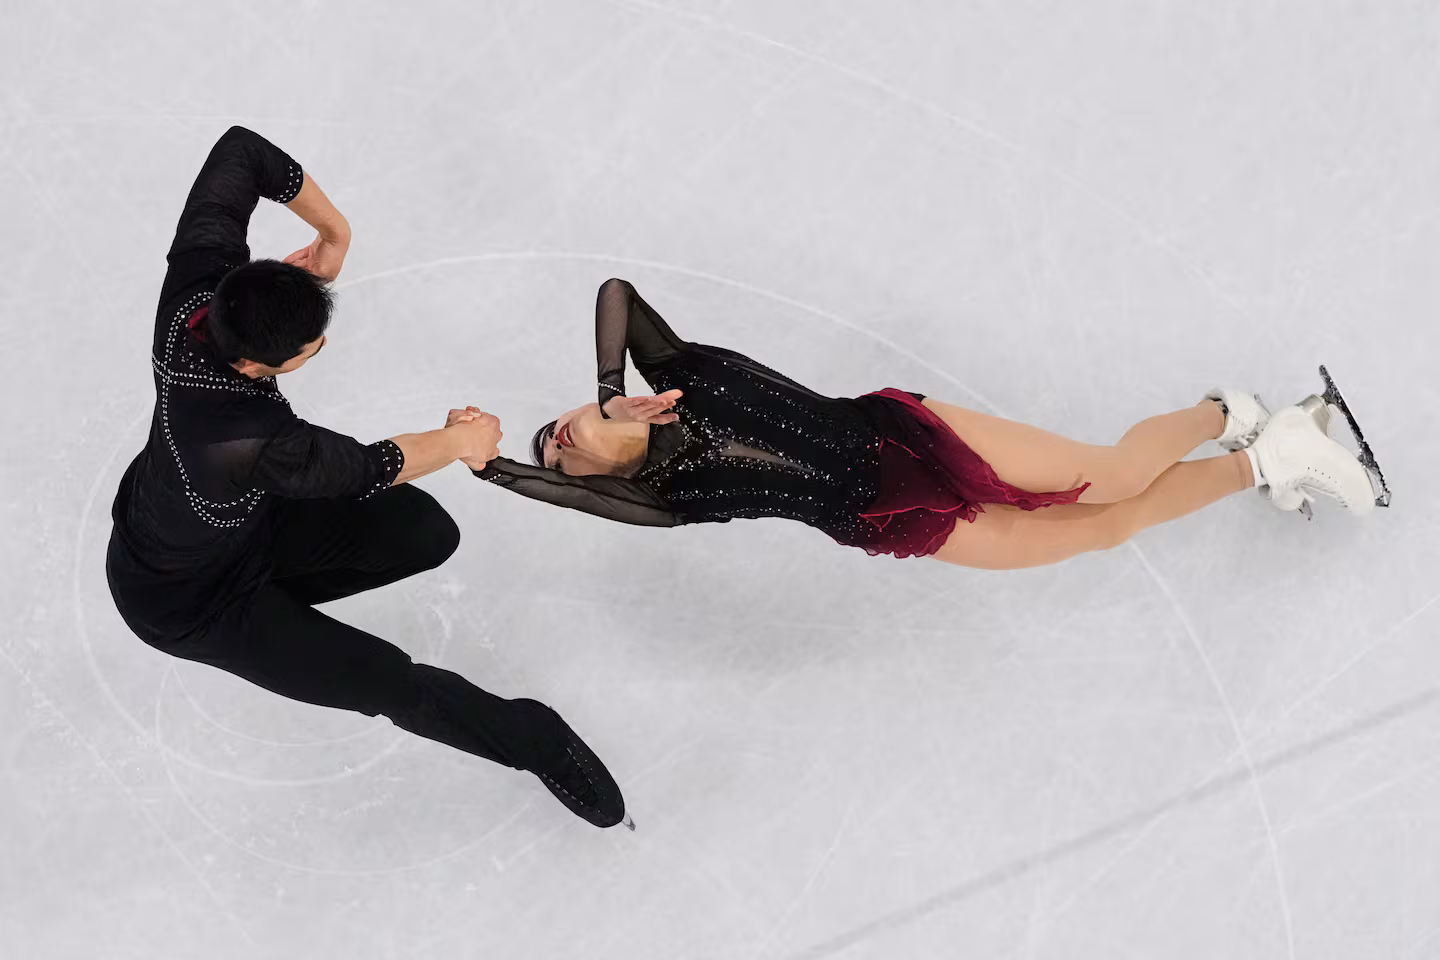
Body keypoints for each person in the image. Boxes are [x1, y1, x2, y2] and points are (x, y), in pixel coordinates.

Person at [105, 127, 631, 830]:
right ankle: (533, 740)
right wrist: (461, 439)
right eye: (312, 344)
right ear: (267, 367)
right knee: (384, 678)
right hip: (189, 603)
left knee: (424, 531)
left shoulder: (197, 293)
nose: (321, 341)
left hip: (228, 522)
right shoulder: (247, 439)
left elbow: (240, 151)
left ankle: (283, 615)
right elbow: (366, 468)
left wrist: (334, 233)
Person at [454, 278, 1377, 567]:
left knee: (1103, 477)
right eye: (556, 459)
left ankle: (1232, 411)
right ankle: (1266, 461)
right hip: (888, 521)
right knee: (1098, 530)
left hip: (902, 437)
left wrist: (613, 386)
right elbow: (558, 489)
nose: (558, 441)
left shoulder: (675, 375)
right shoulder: (659, 500)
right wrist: (495, 468)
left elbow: (615, 290)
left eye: (557, 427)